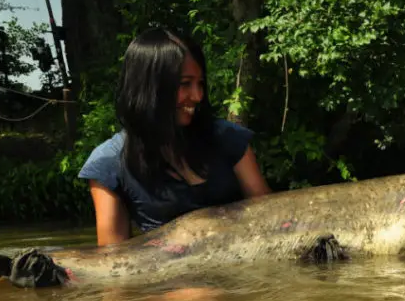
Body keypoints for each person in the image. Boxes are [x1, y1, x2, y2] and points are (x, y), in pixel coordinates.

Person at [78, 27, 272, 246]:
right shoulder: (109, 165)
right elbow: (113, 263)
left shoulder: (230, 139)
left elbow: (271, 222)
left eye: (200, 84)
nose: (198, 96)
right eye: (185, 84)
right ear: (149, 87)